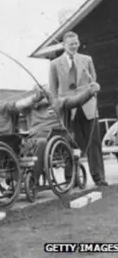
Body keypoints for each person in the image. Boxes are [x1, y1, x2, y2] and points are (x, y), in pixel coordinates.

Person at [49, 31, 107, 186]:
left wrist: (94, 89)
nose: (74, 46)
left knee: (94, 142)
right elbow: (53, 90)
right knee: (70, 142)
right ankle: (71, 179)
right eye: (70, 44)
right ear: (64, 45)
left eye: (76, 43)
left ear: (79, 43)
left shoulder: (87, 60)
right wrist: (58, 107)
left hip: (88, 106)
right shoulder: (54, 64)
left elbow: (93, 80)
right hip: (68, 108)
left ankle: (99, 177)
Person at [21, 83, 101, 184]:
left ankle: (32, 180)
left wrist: (90, 92)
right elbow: (19, 107)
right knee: (16, 144)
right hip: (32, 140)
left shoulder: (58, 102)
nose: (42, 95)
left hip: (51, 139)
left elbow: (77, 100)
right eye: (39, 93)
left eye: (45, 92)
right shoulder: (30, 108)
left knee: (41, 143)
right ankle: (16, 181)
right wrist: (34, 99)